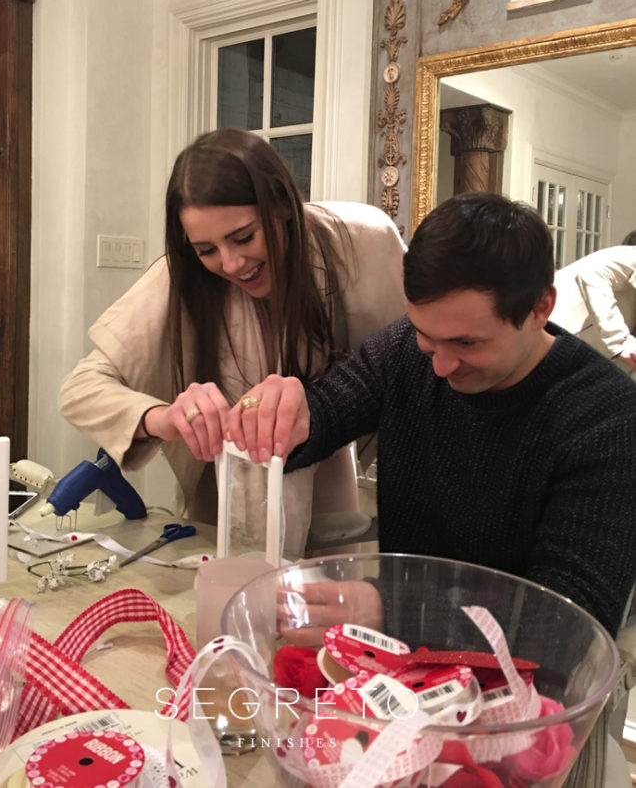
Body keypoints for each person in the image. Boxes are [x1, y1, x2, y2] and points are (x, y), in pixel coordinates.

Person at [227, 191, 636, 637]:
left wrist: (395, 611)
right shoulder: (406, 347)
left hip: (517, 676)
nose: (439, 366)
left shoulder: (608, 419)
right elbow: (327, 413)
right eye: (426, 334)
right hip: (396, 657)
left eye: (466, 343)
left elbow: (572, 621)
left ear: (540, 309)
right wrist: (283, 416)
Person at [58, 128, 406, 555]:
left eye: (243, 237)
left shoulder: (358, 242)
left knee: (325, 586)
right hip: (223, 488)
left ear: (282, 205)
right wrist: (162, 417)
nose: (231, 263)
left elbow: (409, 360)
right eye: (206, 249)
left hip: (327, 472)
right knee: (227, 586)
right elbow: (80, 388)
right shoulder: (181, 278)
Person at [551, 241, 636, 377]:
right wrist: (620, 340)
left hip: (574, 359)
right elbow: (591, 274)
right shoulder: (631, 256)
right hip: (547, 324)